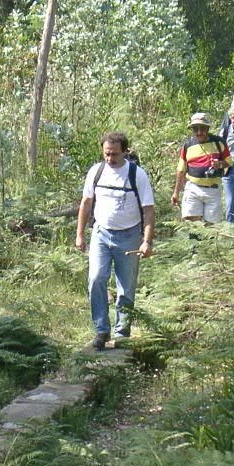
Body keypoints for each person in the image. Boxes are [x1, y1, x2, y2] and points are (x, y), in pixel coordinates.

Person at [75, 132, 155, 351]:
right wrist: (80, 234)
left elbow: (148, 210)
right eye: (107, 154)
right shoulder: (96, 172)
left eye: (115, 154)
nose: (110, 158)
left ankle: (122, 333)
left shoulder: (137, 174)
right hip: (101, 234)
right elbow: (86, 203)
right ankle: (101, 330)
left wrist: (147, 241)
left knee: (126, 287)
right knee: (96, 279)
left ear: (125, 152)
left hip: (129, 236)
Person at [171, 113, 232, 226]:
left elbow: (229, 161)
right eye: (195, 129)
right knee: (193, 225)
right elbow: (181, 169)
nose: (199, 132)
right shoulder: (188, 145)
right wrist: (176, 193)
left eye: (202, 128)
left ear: (208, 128)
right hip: (193, 188)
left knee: (211, 228)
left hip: (213, 190)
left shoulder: (218, 142)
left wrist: (219, 164)